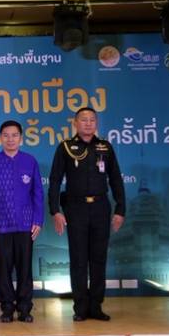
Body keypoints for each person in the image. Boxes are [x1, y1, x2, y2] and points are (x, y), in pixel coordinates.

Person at [48, 107, 125, 322]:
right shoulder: (65, 147)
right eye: (84, 120)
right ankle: (80, 307)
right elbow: (55, 180)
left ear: (96, 123)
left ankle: (96, 306)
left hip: (101, 207)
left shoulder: (105, 147)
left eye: (92, 120)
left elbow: (115, 179)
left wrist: (120, 210)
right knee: (79, 259)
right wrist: (55, 210)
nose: (88, 123)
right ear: (75, 123)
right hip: (76, 208)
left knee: (99, 259)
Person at [0, 120, 43, 323]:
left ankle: (24, 308)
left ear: (21, 138)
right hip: (0, 226)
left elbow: (37, 193)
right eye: (6, 135)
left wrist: (38, 220)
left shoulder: (30, 161)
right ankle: (7, 307)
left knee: (25, 269)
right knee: (3, 269)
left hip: (26, 225)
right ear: (0, 138)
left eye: (14, 135)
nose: (10, 139)